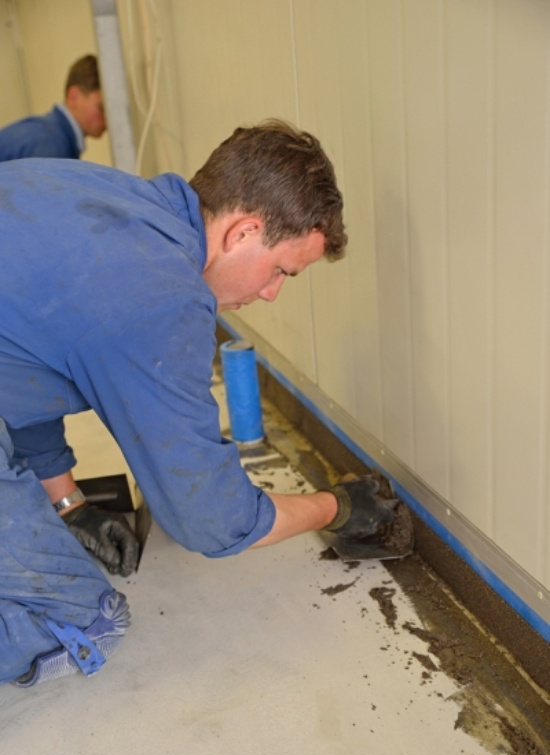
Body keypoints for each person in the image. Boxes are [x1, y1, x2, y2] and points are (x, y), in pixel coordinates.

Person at [0, 119, 396, 687]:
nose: (270, 293)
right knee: (87, 623)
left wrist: (70, 505)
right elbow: (209, 517)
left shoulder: (114, 201)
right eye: (281, 270)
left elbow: (21, 364)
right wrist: (335, 507)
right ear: (243, 233)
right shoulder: (161, 292)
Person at [0, 54, 106, 162]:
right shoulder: (52, 144)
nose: (108, 119)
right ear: (74, 97)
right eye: (102, 108)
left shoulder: (48, 133)